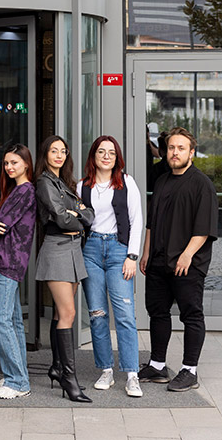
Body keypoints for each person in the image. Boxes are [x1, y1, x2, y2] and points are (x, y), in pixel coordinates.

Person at [140, 126, 218, 392]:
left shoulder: (201, 184)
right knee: (157, 313)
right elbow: (151, 223)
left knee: (191, 315)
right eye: (171, 148)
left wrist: (186, 255)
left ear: (191, 152)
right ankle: (157, 365)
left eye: (181, 148)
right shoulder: (162, 181)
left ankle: (189, 370)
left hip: (188, 264)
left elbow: (204, 228)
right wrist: (146, 252)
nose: (175, 152)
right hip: (158, 261)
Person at [78, 135, 144, 398]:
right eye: (101, 152)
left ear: (117, 158)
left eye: (112, 153)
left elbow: (137, 221)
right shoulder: (82, 186)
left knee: (125, 315)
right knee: (97, 314)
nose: (106, 156)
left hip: (118, 251)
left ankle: (132, 375)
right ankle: (106, 370)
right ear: (93, 156)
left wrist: (132, 256)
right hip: (91, 251)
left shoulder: (127, 183)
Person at [35, 134, 94, 403]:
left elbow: (89, 214)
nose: (59, 155)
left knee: (62, 313)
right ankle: (70, 379)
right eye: (54, 151)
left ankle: (58, 368)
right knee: (69, 313)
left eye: (63, 151)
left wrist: (77, 214)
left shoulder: (66, 183)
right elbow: (60, 218)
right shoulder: (44, 182)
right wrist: (77, 215)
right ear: (45, 154)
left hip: (73, 249)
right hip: (57, 248)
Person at [0, 143, 36, 400]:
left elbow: (1, 223)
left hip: (9, 260)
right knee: (12, 321)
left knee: (1, 320)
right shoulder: (14, 190)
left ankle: (18, 382)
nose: (9, 167)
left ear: (26, 163)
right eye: (6, 163)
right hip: (4, 258)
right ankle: (13, 374)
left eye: (14, 162)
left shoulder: (25, 191)